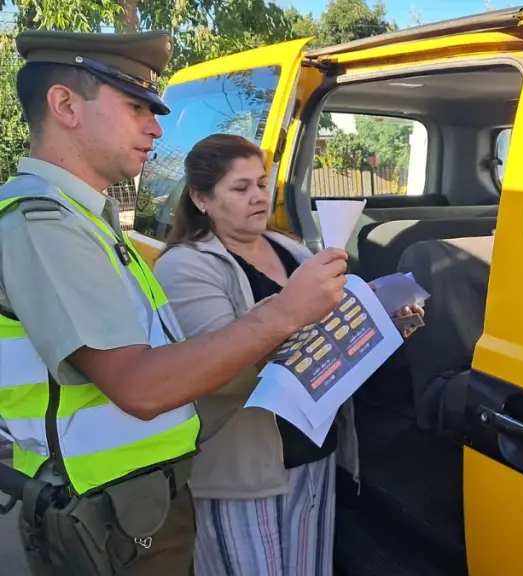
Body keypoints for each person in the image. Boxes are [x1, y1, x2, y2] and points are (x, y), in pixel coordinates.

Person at [0, 29, 350, 575]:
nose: (156, 127)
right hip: (101, 511)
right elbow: (140, 387)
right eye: (136, 106)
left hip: (135, 501)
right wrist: (286, 312)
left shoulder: (85, 221)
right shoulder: (44, 223)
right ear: (65, 104)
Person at [152, 133, 425, 576]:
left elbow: (328, 351)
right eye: (240, 188)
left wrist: (379, 325)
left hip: (312, 451)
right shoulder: (186, 266)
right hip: (244, 470)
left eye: (262, 183)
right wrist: (290, 310)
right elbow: (213, 372)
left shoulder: (293, 249)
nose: (259, 197)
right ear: (201, 198)